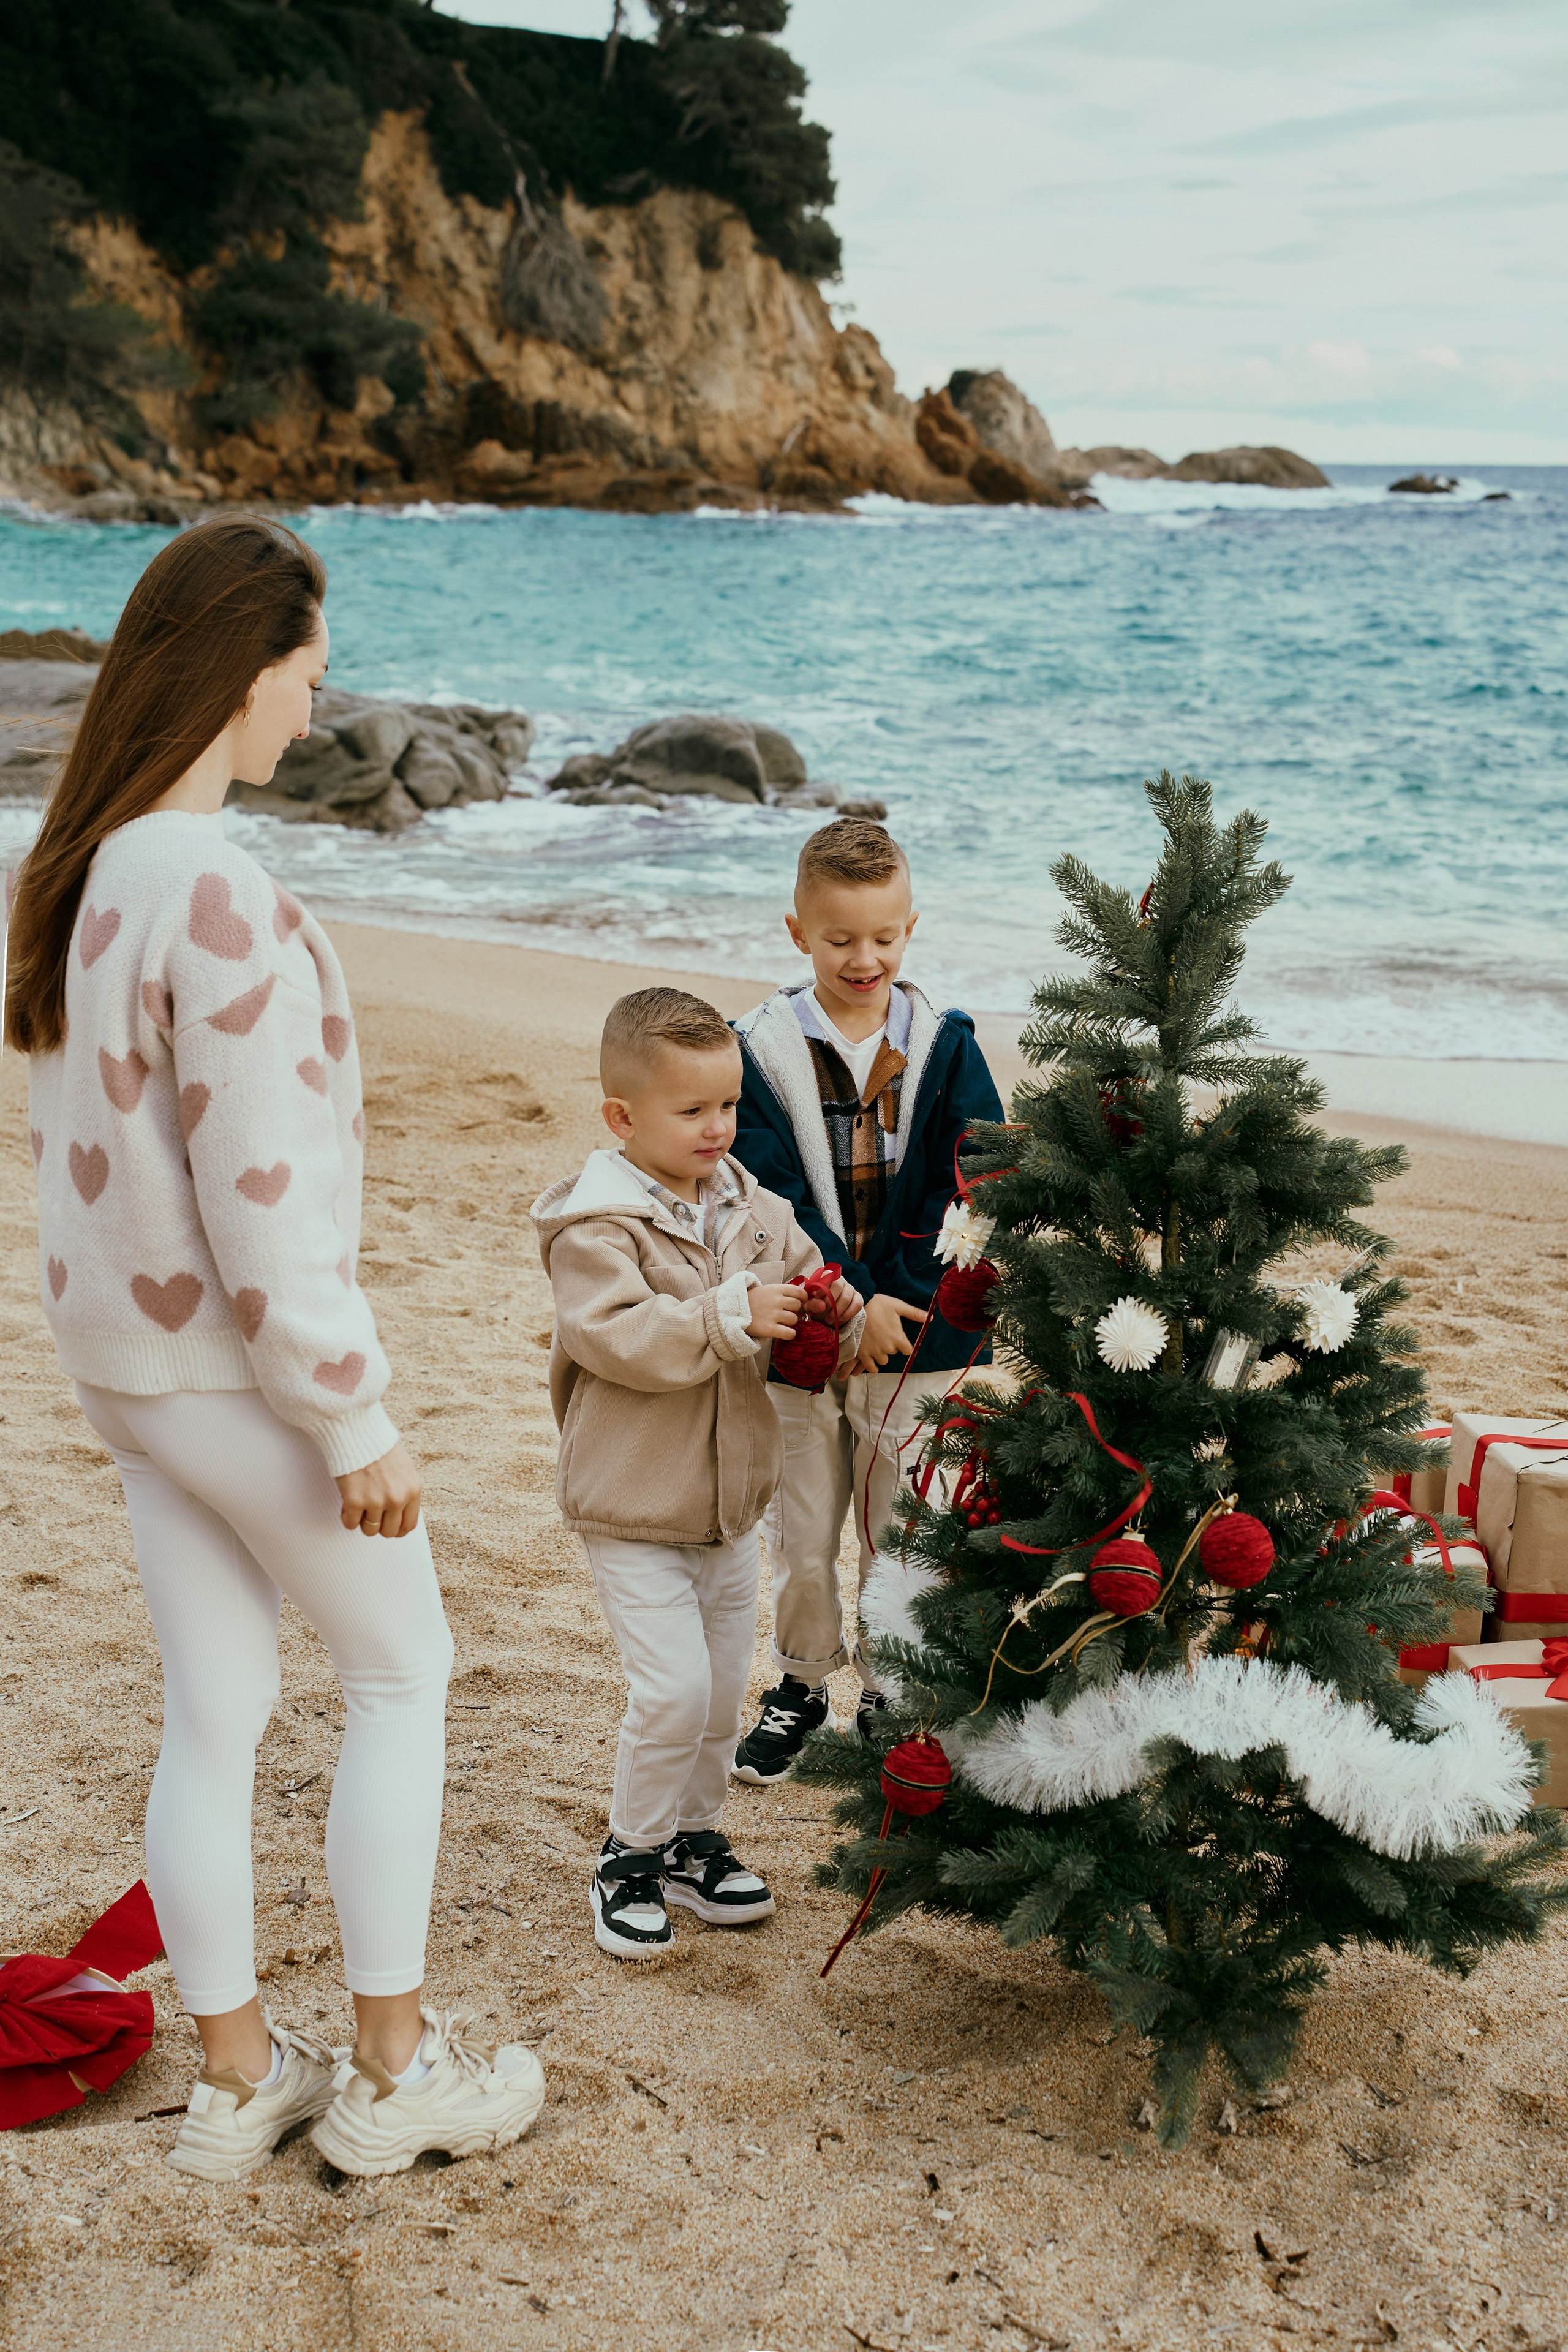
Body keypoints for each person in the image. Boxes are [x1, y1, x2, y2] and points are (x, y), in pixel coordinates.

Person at [4, 514, 543, 2182]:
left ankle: (242, 2084)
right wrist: (352, 1416)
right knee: (403, 1671)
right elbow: (262, 1198)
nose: (310, 715)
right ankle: (392, 2070)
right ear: (237, 672)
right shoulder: (217, 895)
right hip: (234, 1380)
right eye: (303, 681)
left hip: (125, 1376)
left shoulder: (85, 872)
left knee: (216, 1707)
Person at [531, 987, 862, 1960]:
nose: (718, 1128)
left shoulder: (746, 1201)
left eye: (726, 1106)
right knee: (671, 1692)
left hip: (728, 1502)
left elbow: (802, 1262)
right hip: (634, 1502)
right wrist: (729, 1315)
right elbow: (616, 1337)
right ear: (623, 1119)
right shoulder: (598, 1227)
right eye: (692, 1112)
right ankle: (628, 1853)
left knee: (721, 1692)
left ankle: (690, 1836)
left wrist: (837, 1302)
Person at [729, 816, 1005, 1782]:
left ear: (912, 928)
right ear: (798, 931)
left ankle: (891, 1691)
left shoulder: (946, 1047)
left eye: (884, 937)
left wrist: (899, 1300)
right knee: (803, 1528)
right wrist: (849, 1302)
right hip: (808, 1333)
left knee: (903, 1527)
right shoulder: (759, 1054)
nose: (864, 957)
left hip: (919, 1339)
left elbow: (968, 1183)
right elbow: (768, 1196)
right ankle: (801, 1683)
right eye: (841, 938)